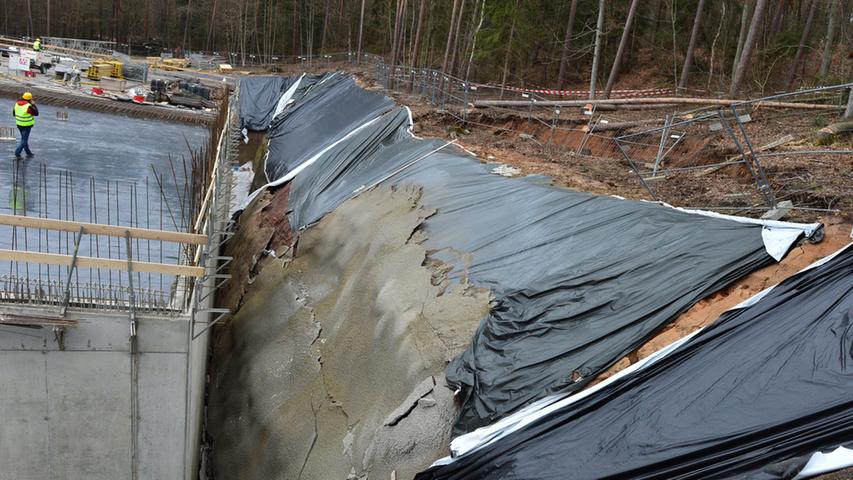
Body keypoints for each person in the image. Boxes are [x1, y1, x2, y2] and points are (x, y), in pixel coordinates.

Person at [13, 92, 38, 159]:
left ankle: (28, 152)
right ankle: (17, 153)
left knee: (24, 139)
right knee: (24, 140)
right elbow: (36, 113)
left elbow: (14, 113)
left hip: (19, 124)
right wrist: (34, 105)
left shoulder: (16, 104)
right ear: (29, 99)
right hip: (26, 125)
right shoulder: (28, 106)